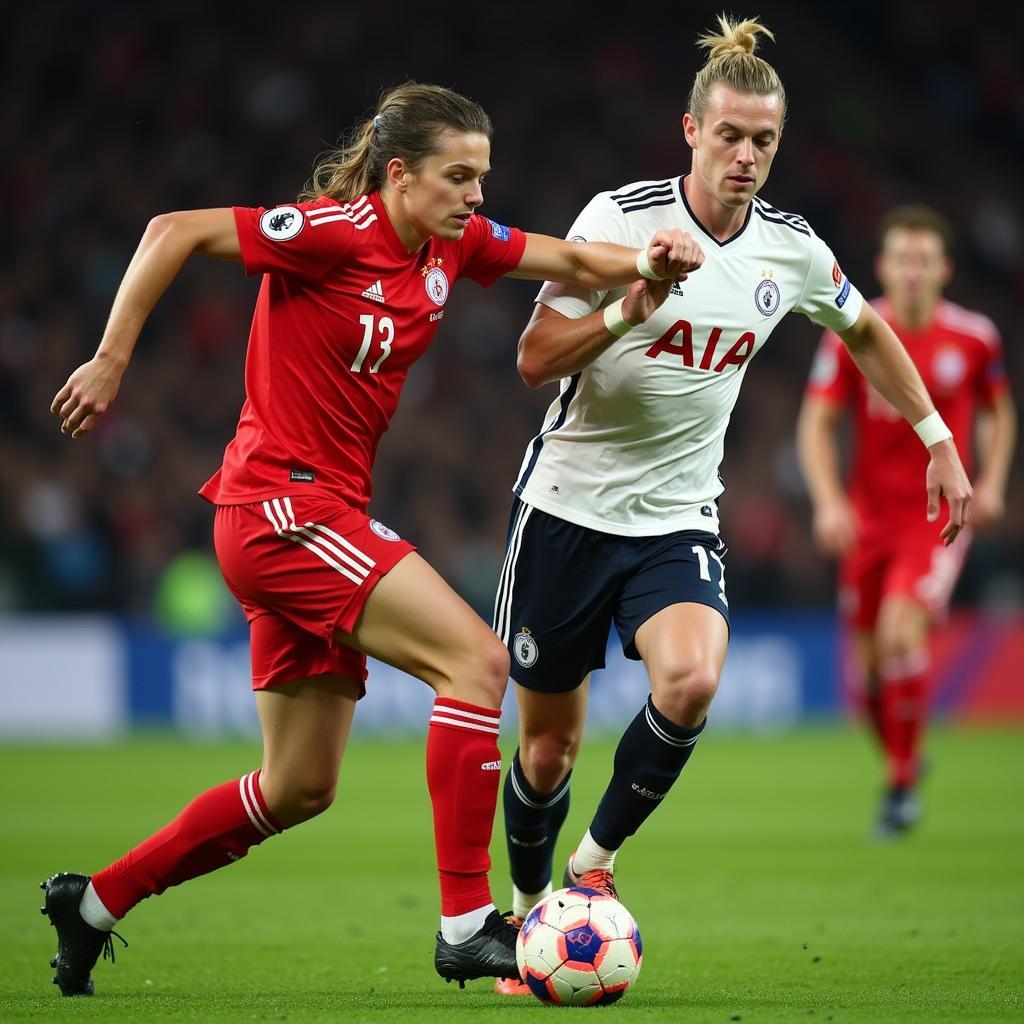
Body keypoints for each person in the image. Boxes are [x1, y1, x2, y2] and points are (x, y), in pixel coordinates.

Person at [41, 81, 701, 998]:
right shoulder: (330, 232)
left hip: (316, 514)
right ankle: (469, 925)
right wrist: (112, 356)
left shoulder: (451, 246)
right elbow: (172, 230)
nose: (476, 196)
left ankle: (94, 905)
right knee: (478, 664)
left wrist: (651, 260)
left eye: (483, 176)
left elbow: (566, 257)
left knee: (298, 787)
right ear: (400, 175)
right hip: (282, 510)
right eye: (457, 176)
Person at [489, 16, 974, 996]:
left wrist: (936, 437)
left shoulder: (789, 251)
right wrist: (633, 302)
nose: (746, 155)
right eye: (730, 136)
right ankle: (528, 910)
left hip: (675, 518)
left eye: (764, 140)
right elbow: (533, 359)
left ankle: (594, 862)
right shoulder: (616, 221)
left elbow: (869, 331)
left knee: (691, 682)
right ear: (689, 131)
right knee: (547, 746)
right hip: (565, 512)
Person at [797, 205, 1015, 839]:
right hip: (869, 518)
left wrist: (994, 482)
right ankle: (905, 759)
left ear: (944, 269)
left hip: (936, 519)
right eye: (901, 260)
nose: (912, 272)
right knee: (863, 675)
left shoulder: (975, 338)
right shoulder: (851, 329)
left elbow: (1000, 413)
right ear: (882, 267)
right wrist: (828, 501)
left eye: (924, 260)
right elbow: (817, 420)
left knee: (899, 631)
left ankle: (898, 786)